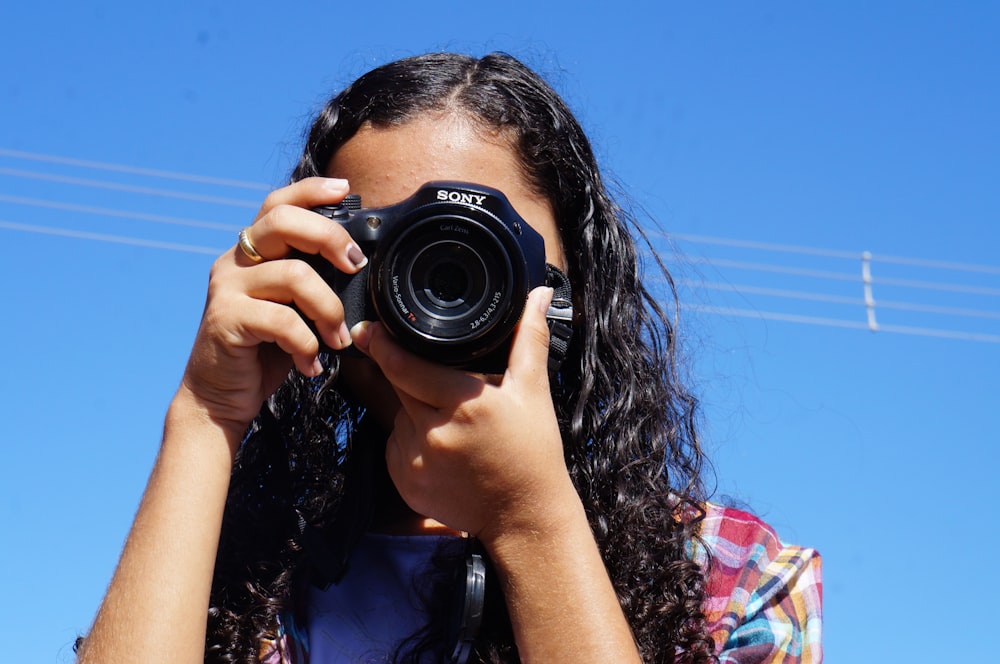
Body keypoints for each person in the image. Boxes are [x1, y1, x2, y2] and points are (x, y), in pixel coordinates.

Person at [76, 52, 822, 664]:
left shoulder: (731, 574)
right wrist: (206, 415)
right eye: (392, 248)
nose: (438, 294)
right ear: (315, 266)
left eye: (485, 253)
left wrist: (531, 525)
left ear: (574, 294)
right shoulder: (236, 576)